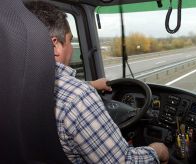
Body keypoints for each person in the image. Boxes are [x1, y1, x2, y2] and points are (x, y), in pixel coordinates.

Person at [24, 1, 169, 164]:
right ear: (55, 45)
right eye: (70, 40)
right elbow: (122, 161)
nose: (72, 48)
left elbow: (62, 90)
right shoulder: (79, 98)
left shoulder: (13, 84)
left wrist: (92, 84)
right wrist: (157, 151)